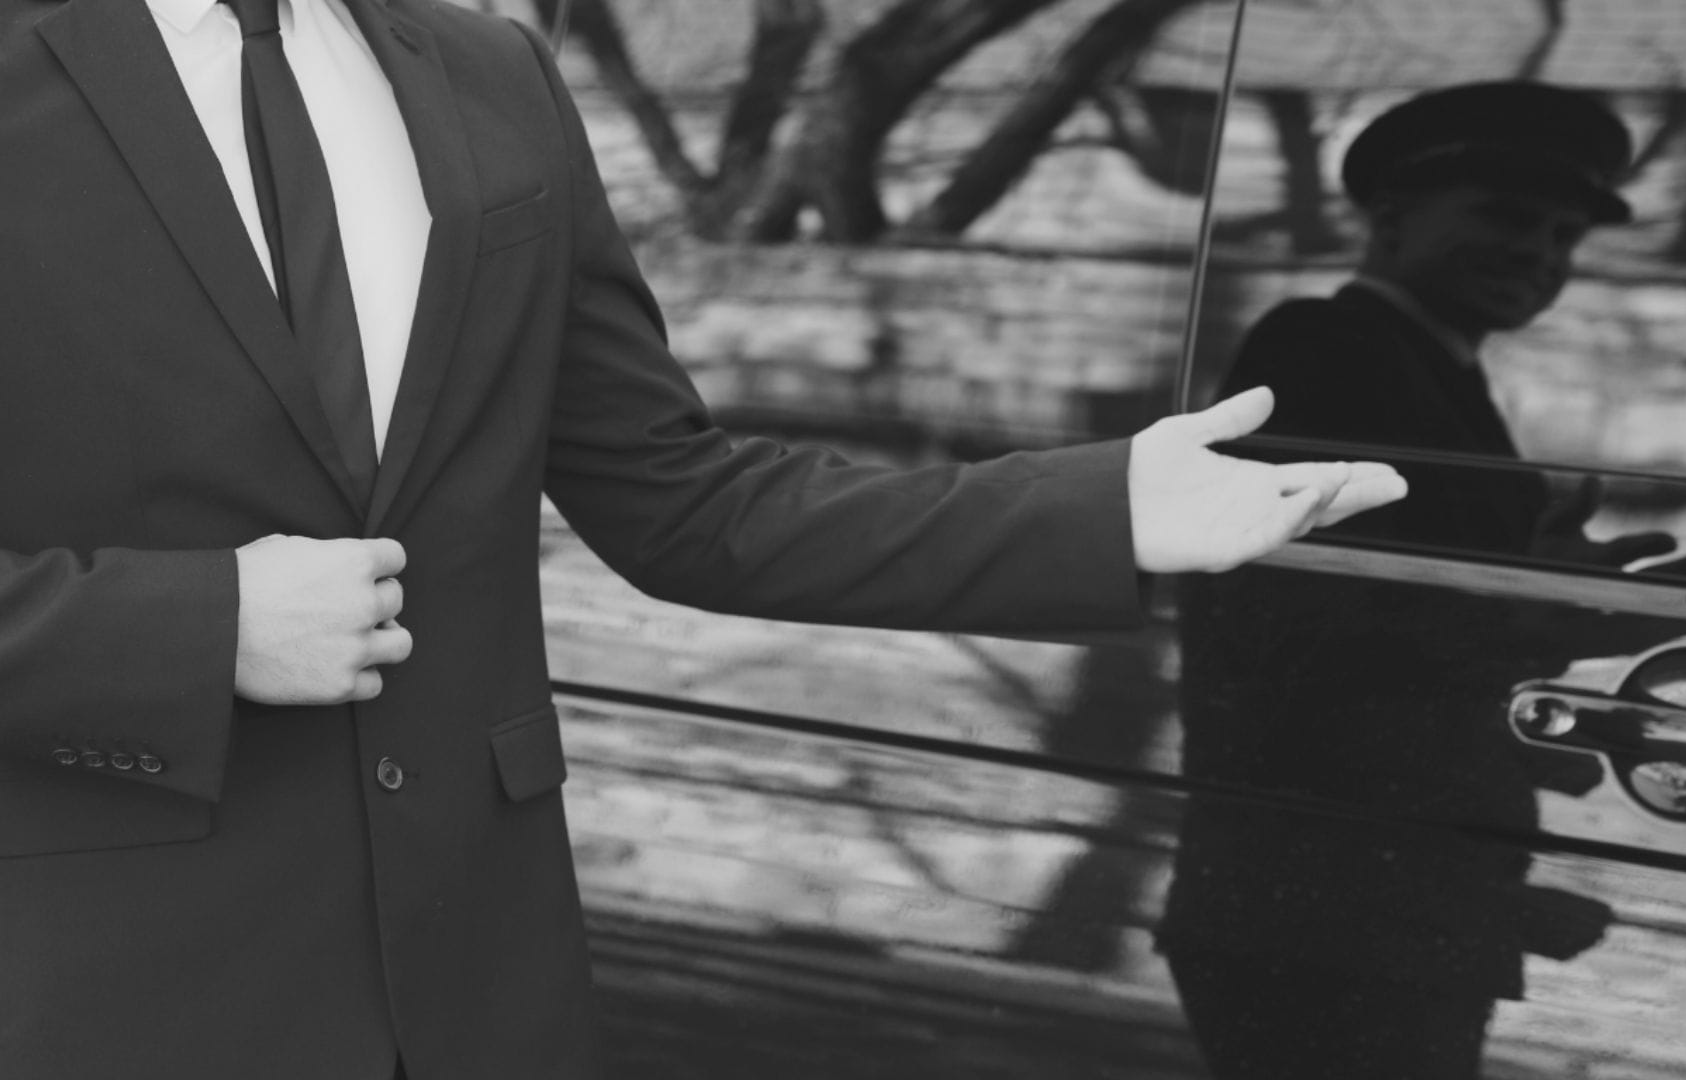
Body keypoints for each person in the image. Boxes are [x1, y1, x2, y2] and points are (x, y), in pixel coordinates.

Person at [0, 2, 1408, 1078]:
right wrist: (199, 629)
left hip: (480, 981)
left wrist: (1094, 509)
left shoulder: (492, 75)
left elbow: (684, 497)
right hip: (102, 975)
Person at [1161, 81, 1686, 1078]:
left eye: (1561, 237)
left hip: (1380, 906)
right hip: (1324, 914)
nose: (1537, 255)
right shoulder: (1323, 349)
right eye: (1504, 217)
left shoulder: (1434, 371)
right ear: (1392, 218)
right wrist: (1533, 606)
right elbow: (1289, 622)